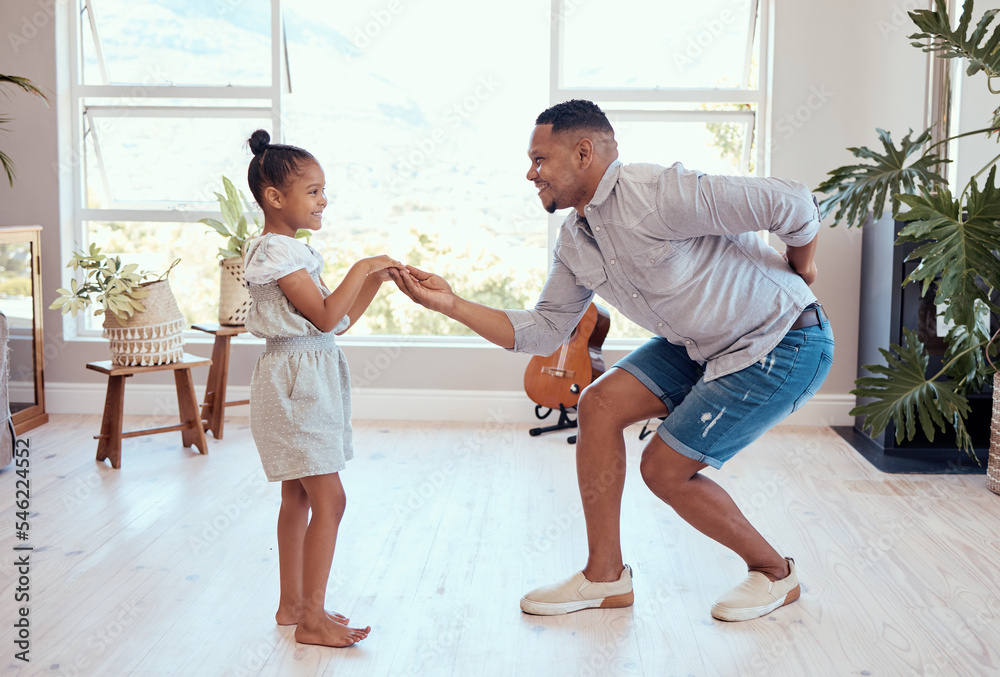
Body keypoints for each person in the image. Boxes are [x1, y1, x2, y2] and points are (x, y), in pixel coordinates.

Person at [390, 100, 834, 622]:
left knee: (665, 470)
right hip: (699, 342)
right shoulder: (576, 240)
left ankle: (775, 573)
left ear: (583, 153)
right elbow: (545, 330)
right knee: (598, 403)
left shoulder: (658, 194)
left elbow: (795, 203)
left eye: (539, 159)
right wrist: (451, 304)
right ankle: (605, 578)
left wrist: (801, 270)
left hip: (781, 341)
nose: (530, 173)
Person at [242, 129, 404, 646]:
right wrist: (361, 265)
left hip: (306, 376)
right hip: (295, 386)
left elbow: (332, 324)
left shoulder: (289, 251)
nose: (323, 200)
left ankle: (294, 606)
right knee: (329, 500)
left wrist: (375, 281)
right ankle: (311, 620)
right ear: (275, 197)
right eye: (313, 191)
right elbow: (328, 314)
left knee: (299, 496)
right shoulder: (277, 253)